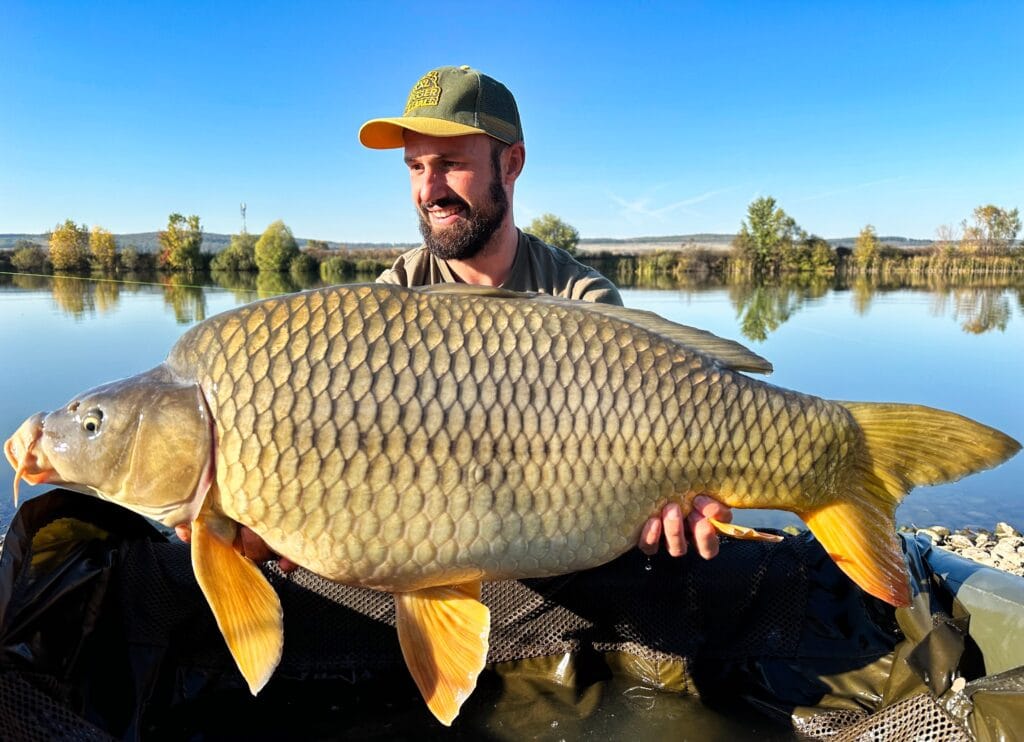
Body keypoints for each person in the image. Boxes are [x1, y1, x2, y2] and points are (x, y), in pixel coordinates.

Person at [177, 65, 732, 564]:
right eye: (415, 166)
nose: (428, 190)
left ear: (510, 163)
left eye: (449, 165)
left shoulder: (583, 300)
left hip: (552, 546)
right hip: (437, 544)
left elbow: (645, 452)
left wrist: (677, 507)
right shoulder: (386, 304)